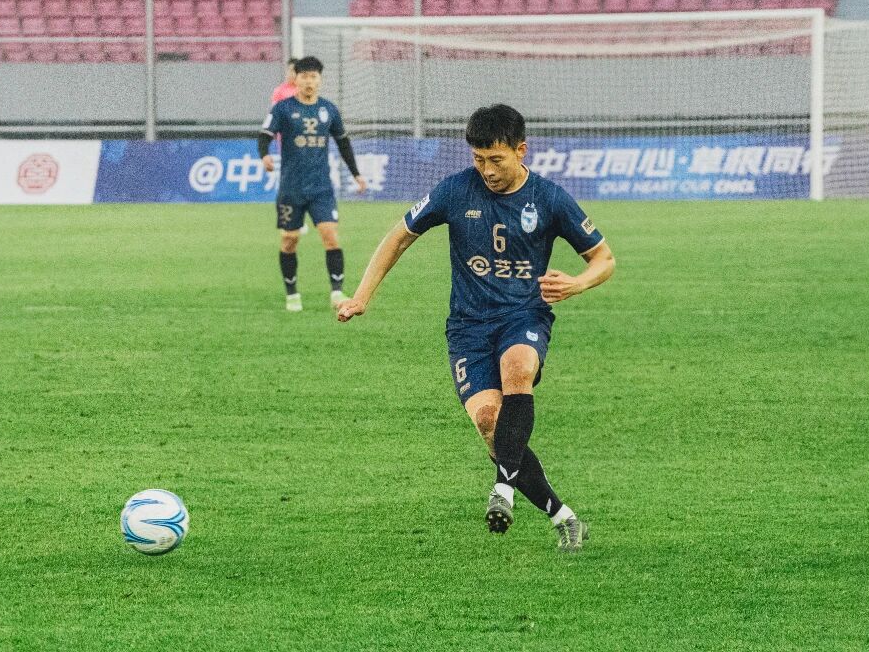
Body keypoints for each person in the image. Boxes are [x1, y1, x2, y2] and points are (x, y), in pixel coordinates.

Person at [336, 104, 615, 552]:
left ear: (521, 151)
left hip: (523, 316)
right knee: (489, 423)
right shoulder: (455, 191)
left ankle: (502, 489)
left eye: (496, 159)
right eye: (478, 159)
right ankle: (564, 517)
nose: (487, 170)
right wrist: (362, 296)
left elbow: (604, 258)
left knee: (518, 368)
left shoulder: (549, 199)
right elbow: (399, 236)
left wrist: (578, 282)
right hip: (468, 328)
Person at [259, 56, 368, 312]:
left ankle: (337, 292)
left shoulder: (329, 110)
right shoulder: (283, 109)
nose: (309, 81)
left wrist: (356, 174)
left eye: (313, 76)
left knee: (330, 236)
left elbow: (343, 143)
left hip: (321, 188)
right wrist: (264, 155)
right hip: (291, 189)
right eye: (304, 76)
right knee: (289, 240)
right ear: (295, 79)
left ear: (320, 80)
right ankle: (292, 293)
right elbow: (264, 135)